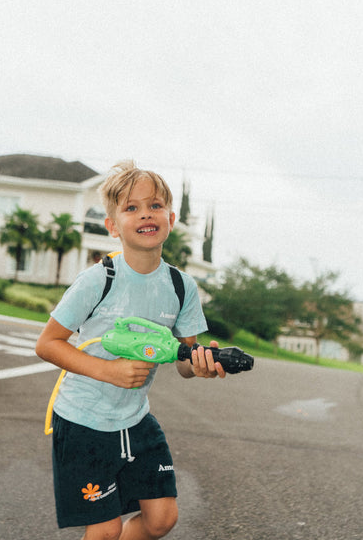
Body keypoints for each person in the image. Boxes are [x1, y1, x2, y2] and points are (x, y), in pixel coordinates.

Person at [36, 160, 226, 540]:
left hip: (135, 419)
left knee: (161, 520)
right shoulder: (97, 280)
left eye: (155, 206)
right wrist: (108, 371)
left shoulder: (181, 285)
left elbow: (184, 360)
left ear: (170, 218)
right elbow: (48, 344)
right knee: (103, 529)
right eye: (131, 208)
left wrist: (201, 364)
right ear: (112, 225)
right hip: (83, 420)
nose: (146, 214)